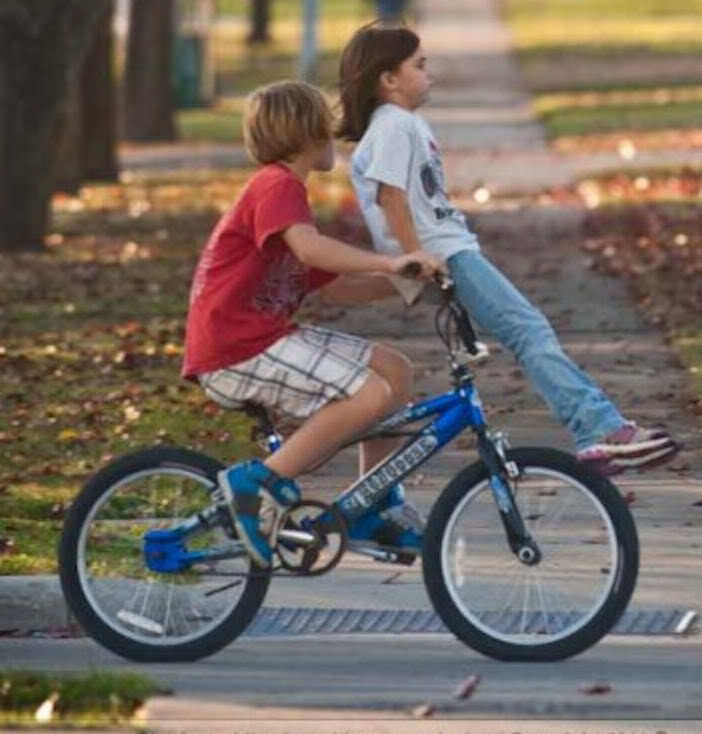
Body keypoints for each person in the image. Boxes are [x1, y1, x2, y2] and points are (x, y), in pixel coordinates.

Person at [337, 23, 680, 477]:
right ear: (389, 79)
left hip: (445, 253)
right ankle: (599, 429)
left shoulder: (402, 125)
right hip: (446, 255)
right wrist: (416, 256)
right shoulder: (394, 126)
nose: (429, 74)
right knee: (529, 332)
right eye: (419, 66)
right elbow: (391, 197)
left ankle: (601, 426)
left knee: (527, 331)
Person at [182, 80, 443, 568]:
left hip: (261, 338)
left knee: (394, 370)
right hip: (236, 347)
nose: (333, 138)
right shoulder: (275, 186)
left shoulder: (286, 194)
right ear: (304, 134)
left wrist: (416, 279)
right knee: (369, 392)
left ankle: (370, 504)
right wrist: (390, 263)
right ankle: (256, 484)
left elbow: (336, 284)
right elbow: (309, 249)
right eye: (324, 128)